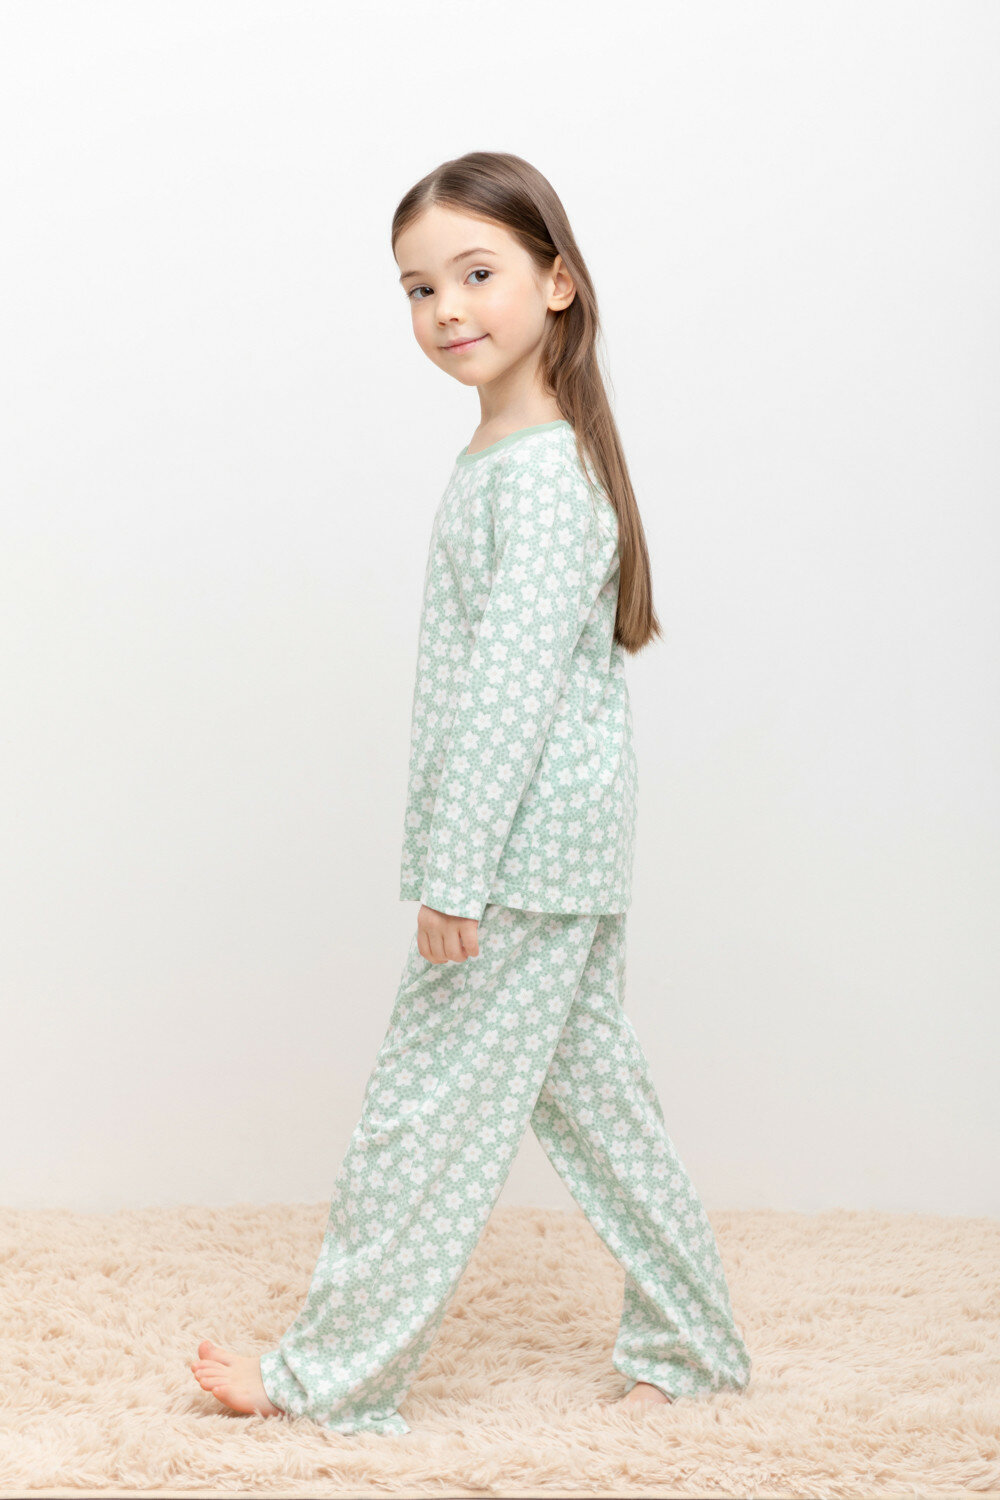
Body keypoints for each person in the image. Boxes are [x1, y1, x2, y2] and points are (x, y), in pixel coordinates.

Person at [189, 150, 752, 1435]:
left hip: (518, 860)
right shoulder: (510, 455)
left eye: (476, 273)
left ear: (557, 282)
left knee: (421, 1117)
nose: (446, 308)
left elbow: (510, 694)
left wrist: (456, 877)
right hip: (550, 850)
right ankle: (695, 1344)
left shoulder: (544, 474)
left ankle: (329, 1377)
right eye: (418, 287)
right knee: (601, 1109)